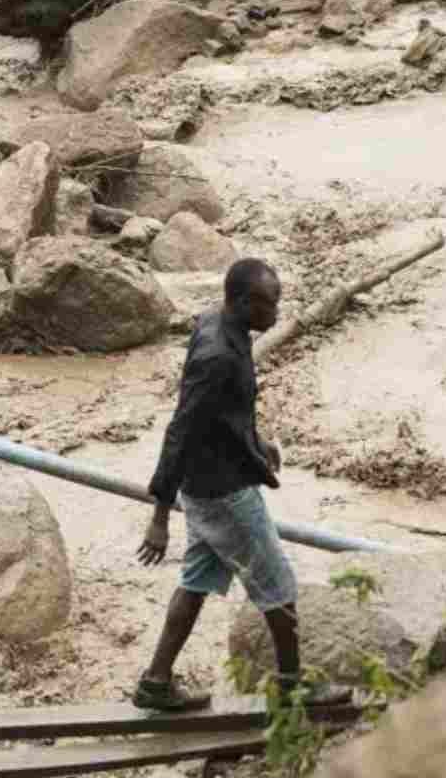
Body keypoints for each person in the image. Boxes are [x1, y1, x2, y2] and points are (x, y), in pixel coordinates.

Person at [132, 259, 350, 711]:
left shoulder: (221, 324)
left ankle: (155, 682)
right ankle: (293, 687)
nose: (277, 312)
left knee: (195, 582)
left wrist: (256, 442)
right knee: (280, 585)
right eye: (271, 303)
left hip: (208, 483)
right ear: (243, 302)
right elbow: (182, 428)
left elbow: (223, 412)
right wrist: (158, 516)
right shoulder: (217, 355)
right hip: (223, 493)